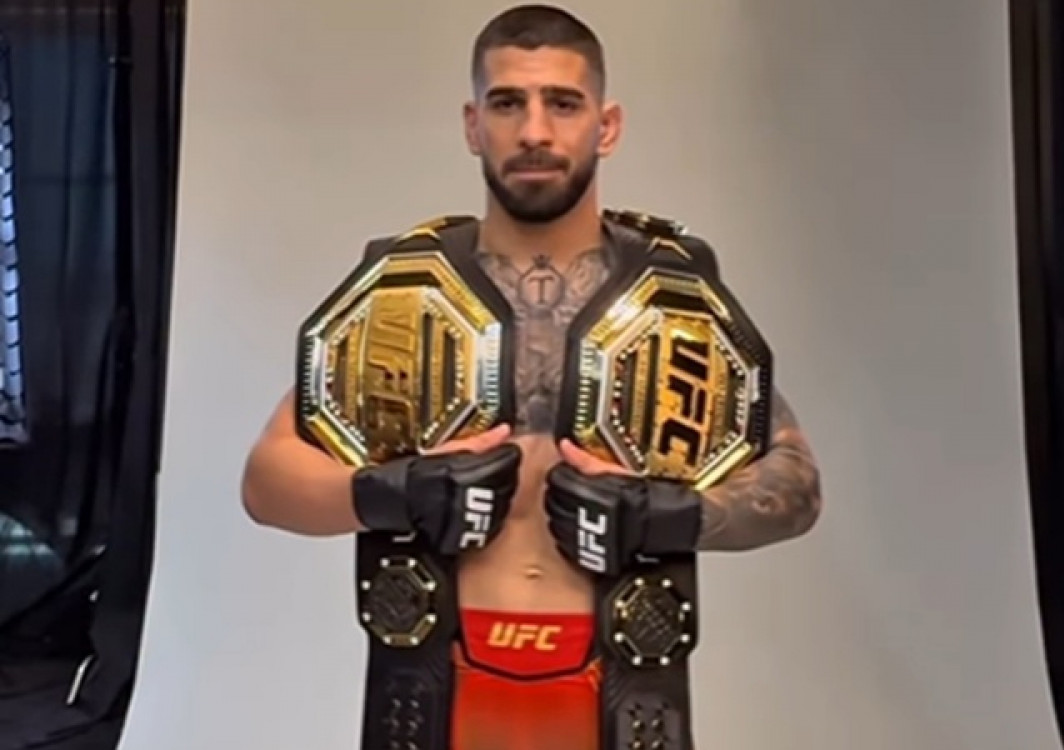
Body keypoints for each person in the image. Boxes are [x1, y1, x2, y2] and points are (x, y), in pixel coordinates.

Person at [240, 5, 822, 749]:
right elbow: (267, 481)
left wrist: (669, 515)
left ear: (607, 126)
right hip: (436, 688)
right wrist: (395, 491)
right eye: (508, 103)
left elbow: (795, 487)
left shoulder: (671, 303)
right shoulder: (406, 298)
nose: (535, 131)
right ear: (472, 124)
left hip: (620, 689)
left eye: (564, 103)